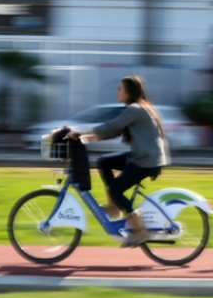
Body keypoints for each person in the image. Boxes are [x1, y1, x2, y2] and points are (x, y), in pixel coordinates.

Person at [65, 75, 168, 248]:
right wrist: (87, 136)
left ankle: (140, 231)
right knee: (104, 162)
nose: (116, 92)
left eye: (119, 89)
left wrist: (80, 132)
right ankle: (115, 207)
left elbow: (111, 126)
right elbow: (112, 132)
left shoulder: (135, 109)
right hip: (143, 155)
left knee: (116, 188)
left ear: (129, 92)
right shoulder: (136, 109)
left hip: (146, 160)